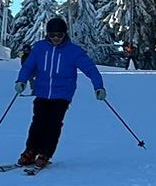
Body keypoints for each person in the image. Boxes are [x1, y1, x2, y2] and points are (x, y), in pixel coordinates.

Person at [12, 16, 105, 168]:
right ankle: (30, 151)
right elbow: (28, 66)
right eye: (52, 35)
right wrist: (21, 80)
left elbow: (90, 69)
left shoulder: (74, 52)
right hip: (42, 92)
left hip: (62, 94)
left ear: (65, 34)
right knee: (38, 122)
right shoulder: (40, 48)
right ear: (47, 34)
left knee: (53, 123)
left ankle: (45, 153)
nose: (56, 38)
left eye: (59, 35)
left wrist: (98, 87)